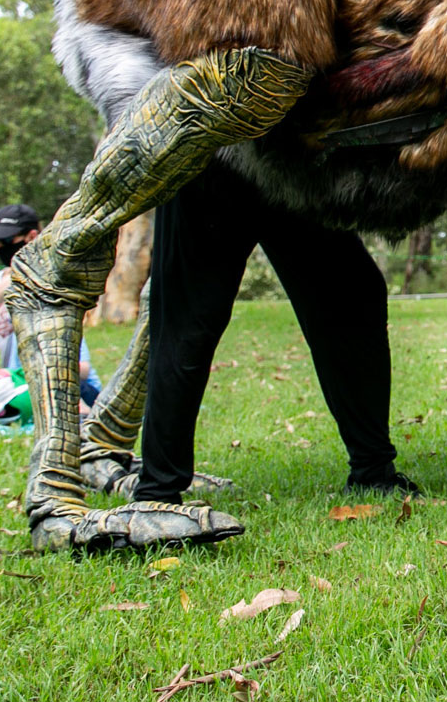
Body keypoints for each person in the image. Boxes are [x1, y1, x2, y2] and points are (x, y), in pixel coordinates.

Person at [130, 163, 417, 502]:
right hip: (211, 146)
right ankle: (157, 494)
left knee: (353, 293)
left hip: (289, 158)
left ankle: (373, 471)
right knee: (188, 318)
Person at [0, 204, 100, 416]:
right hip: (18, 384)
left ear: (32, 236)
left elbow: (82, 369)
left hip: (72, 388)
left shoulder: (52, 282)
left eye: (6, 241)